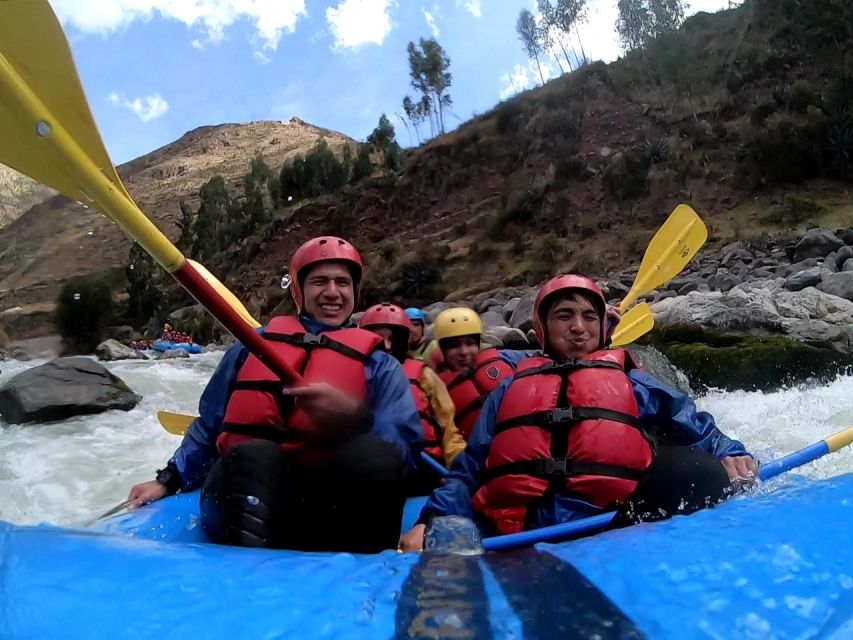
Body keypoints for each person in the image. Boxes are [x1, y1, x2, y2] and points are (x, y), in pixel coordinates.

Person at [399, 274, 757, 551]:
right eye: (564, 316)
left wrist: (731, 453)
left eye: (589, 316)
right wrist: (431, 519)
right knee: (445, 537)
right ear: (542, 327)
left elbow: (694, 426)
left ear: (602, 328)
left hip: (613, 524)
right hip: (517, 534)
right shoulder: (509, 389)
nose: (578, 327)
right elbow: (470, 469)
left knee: (696, 470)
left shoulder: (632, 381)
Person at [128, 236, 422, 553]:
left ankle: (358, 576)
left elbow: (402, 450)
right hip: (252, 491)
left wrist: (354, 418)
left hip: (330, 504)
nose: (333, 292)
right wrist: (167, 480)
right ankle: (250, 573)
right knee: (256, 456)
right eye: (319, 282)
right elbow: (210, 424)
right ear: (298, 290)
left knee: (375, 457)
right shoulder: (252, 346)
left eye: (343, 283)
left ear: (355, 292)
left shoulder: (380, 366)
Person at [360, 303, 467, 493]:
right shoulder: (356, 374)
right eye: (377, 338)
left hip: (426, 467)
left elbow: (449, 430)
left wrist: (460, 467)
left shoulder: (424, 375)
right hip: (374, 469)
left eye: (393, 338)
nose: (386, 345)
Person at [433, 307, 528, 441]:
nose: (464, 352)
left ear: (479, 343)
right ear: (442, 350)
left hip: (522, 436)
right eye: (454, 346)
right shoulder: (435, 390)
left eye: (470, 343)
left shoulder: (506, 358)